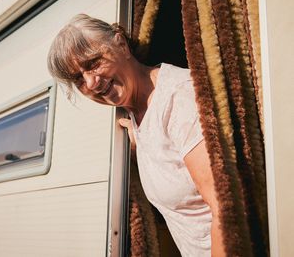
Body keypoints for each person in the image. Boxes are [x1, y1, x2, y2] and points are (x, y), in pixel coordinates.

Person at [47, 14, 225, 256]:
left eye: (93, 63)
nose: (91, 82)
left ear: (121, 44)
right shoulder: (135, 114)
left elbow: (224, 208)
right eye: (78, 79)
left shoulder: (179, 98)